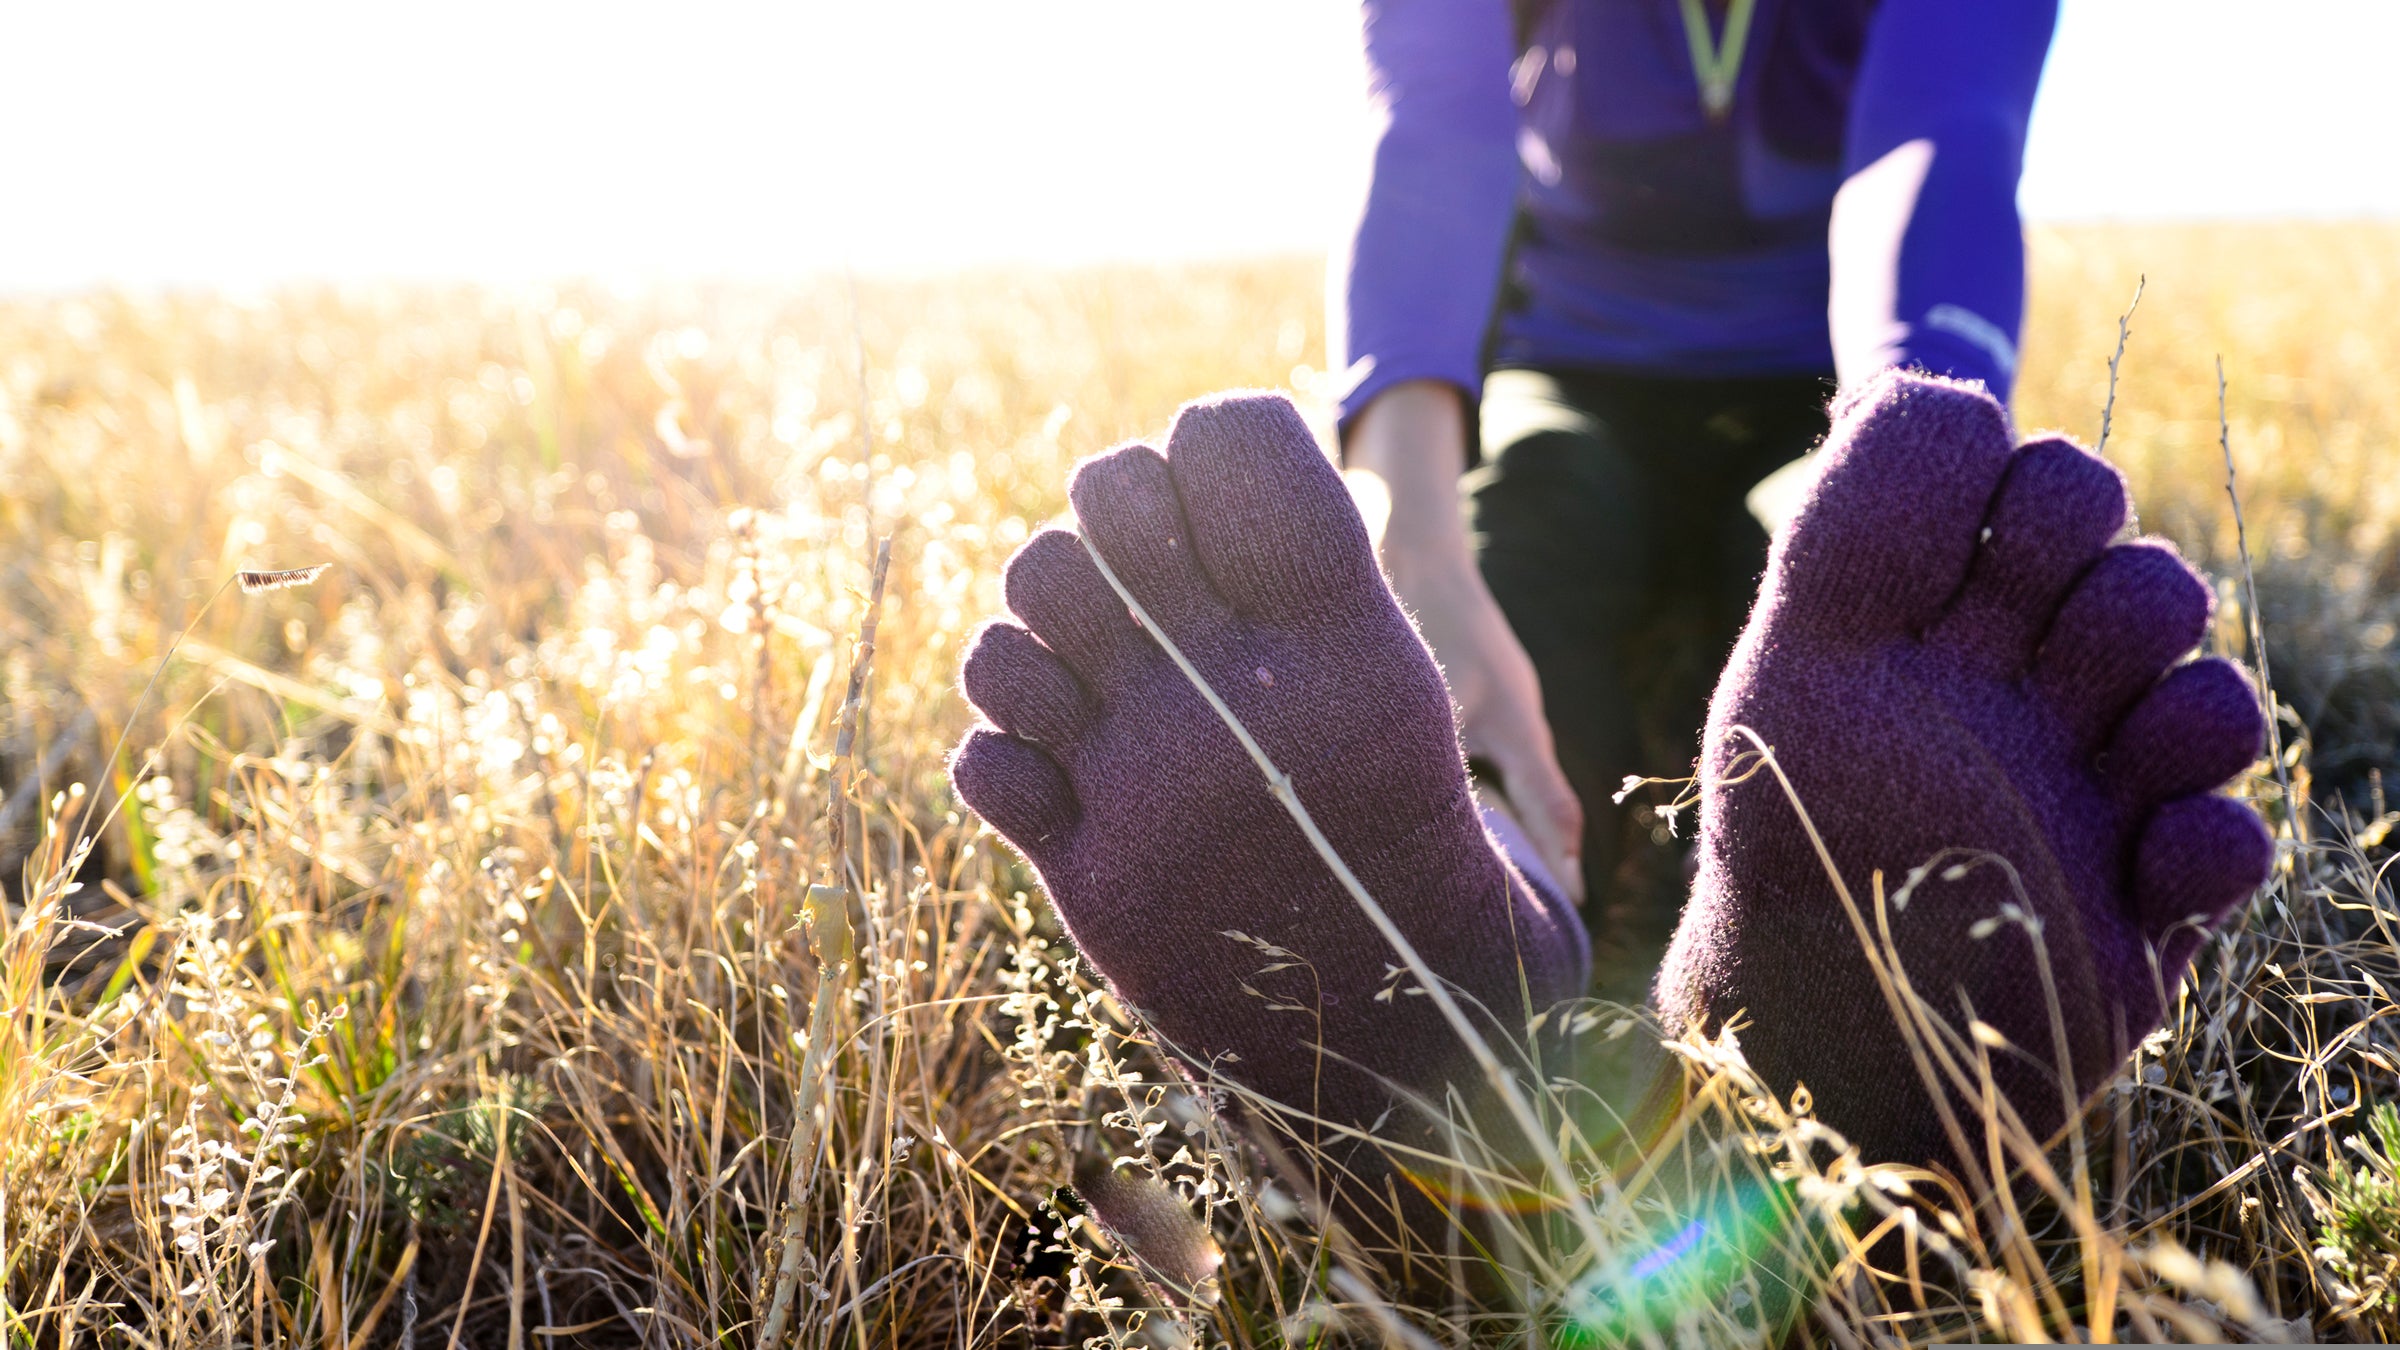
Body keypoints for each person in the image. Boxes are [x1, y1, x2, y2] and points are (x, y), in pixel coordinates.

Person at [1337, 0, 2060, 992]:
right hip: (1572, 356)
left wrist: (1907, 475)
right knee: (1526, 520)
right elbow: (1437, 122)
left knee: (1836, 572)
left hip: (1827, 369)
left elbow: (1943, 127)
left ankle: (1821, 939)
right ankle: (1478, 932)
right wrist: (1414, 530)